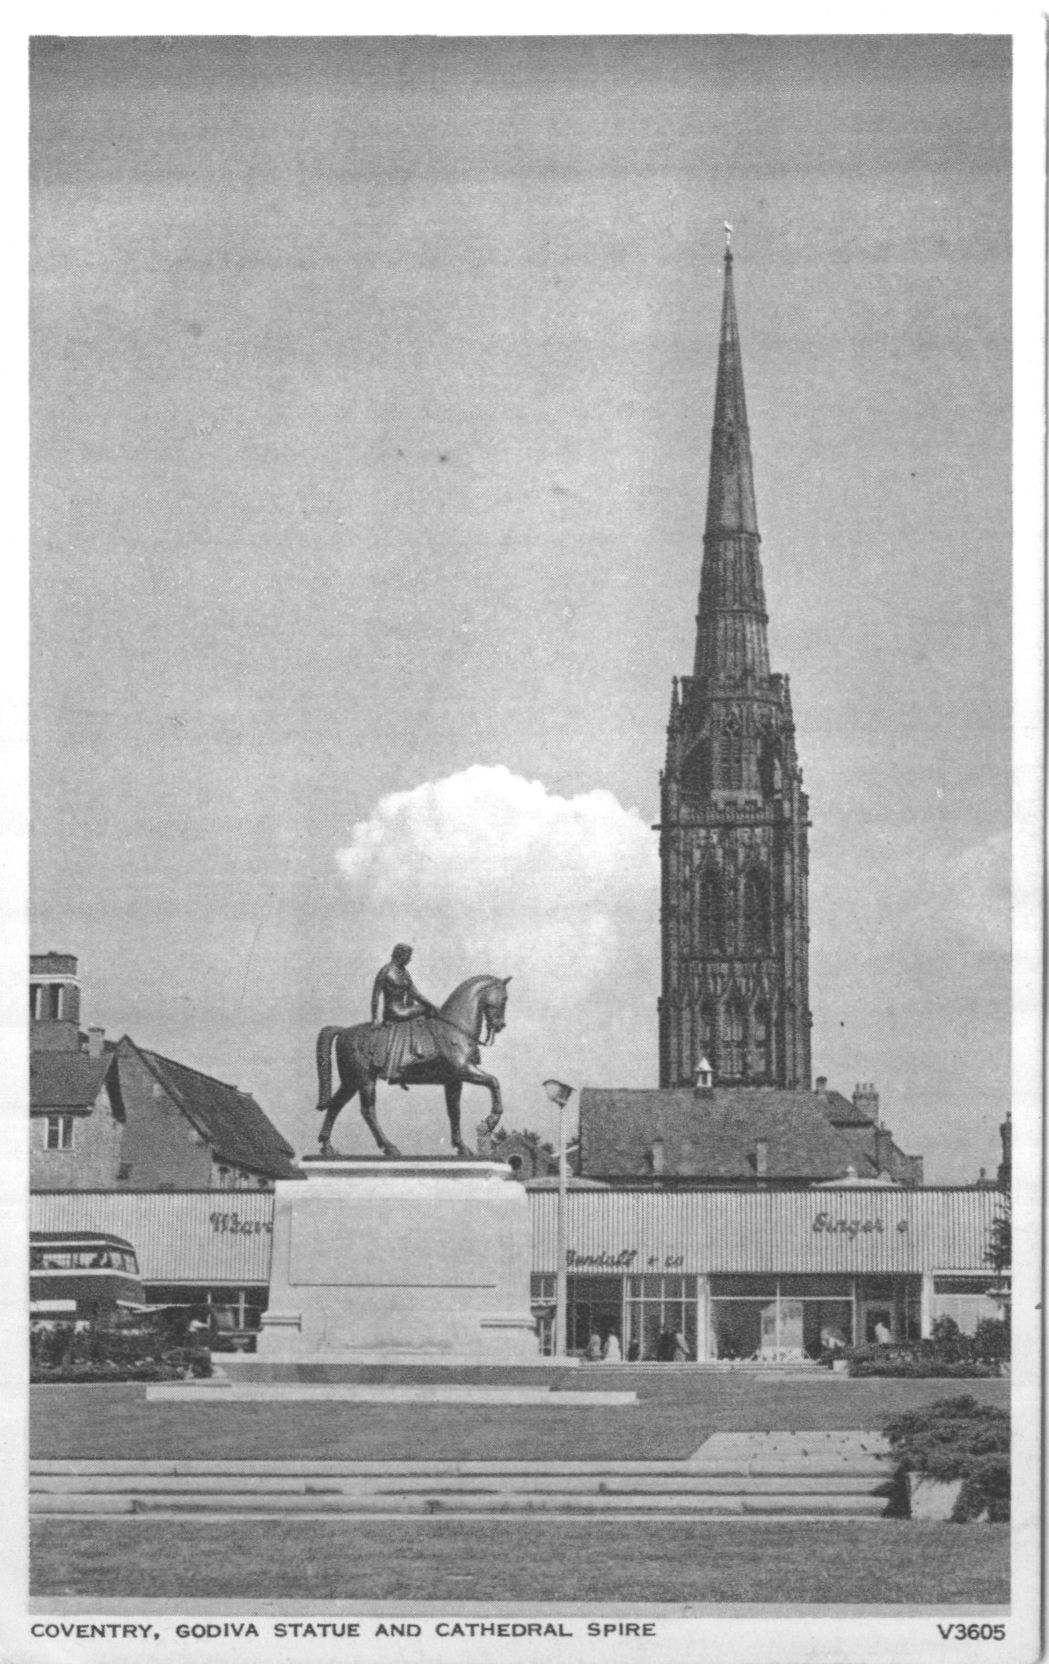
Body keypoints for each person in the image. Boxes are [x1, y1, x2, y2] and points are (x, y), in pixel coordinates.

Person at [370, 944, 438, 1086]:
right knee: (425, 1010)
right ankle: (417, 1052)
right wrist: (375, 1018)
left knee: (427, 1009)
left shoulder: (403, 972)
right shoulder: (386, 971)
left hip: (404, 1009)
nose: (409, 960)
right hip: (394, 1011)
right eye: (408, 957)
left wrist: (432, 1005)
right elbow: (375, 996)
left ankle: (416, 1051)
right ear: (400, 955)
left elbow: (415, 993)